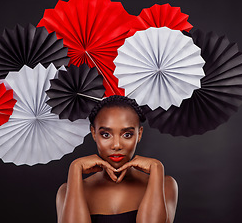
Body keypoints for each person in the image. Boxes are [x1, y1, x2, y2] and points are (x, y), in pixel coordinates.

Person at [56, 95, 178, 223]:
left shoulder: (165, 185)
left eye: (127, 134)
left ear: (139, 134)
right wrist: (75, 168)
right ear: (93, 133)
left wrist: (157, 168)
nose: (116, 145)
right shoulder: (67, 191)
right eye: (106, 134)